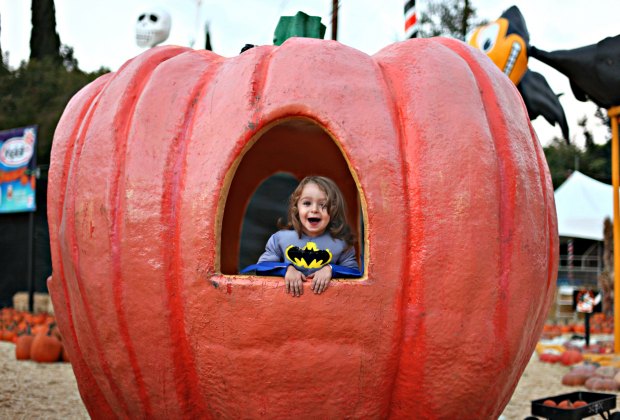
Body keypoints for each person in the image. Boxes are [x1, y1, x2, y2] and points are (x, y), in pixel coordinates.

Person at [257, 175, 359, 297]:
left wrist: (330, 269)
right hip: (287, 302)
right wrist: (287, 269)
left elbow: (354, 272)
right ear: (296, 208)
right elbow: (262, 267)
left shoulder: (341, 244)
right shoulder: (280, 239)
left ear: (333, 210)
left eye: (323, 205)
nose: (314, 209)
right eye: (307, 203)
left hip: (325, 305)